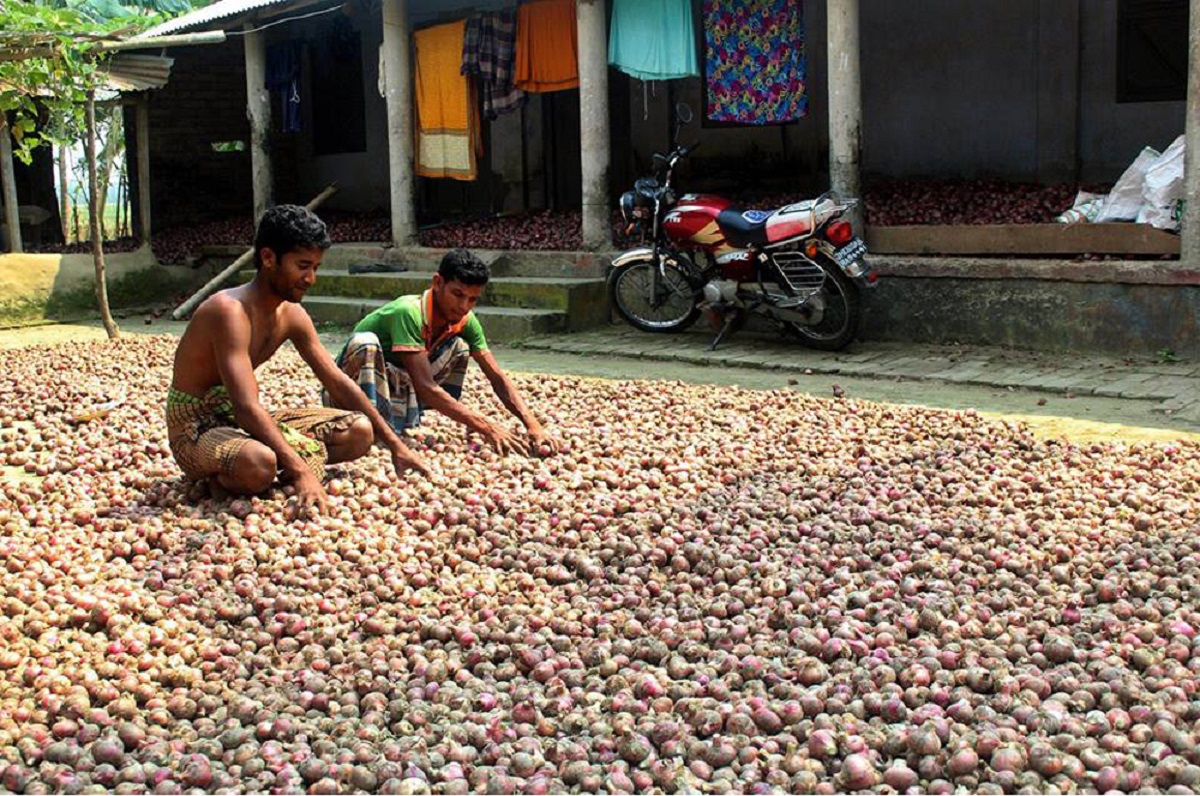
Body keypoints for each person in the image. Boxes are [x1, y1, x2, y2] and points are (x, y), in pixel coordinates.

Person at [166, 204, 429, 515]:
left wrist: (396, 445)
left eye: (315, 267)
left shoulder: (292, 314)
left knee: (359, 432)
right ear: (268, 258)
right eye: (303, 266)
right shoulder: (229, 312)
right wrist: (303, 472)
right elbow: (246, 407)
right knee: (259, 463)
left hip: (239, 421)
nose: (310, 278)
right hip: (195, 427)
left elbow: (337, 382)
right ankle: (232, 474)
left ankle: (261, 469)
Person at [326, 248, 558, 456]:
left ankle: (397, 423)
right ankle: (375, 432)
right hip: (349, 393)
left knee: (460, 348)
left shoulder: (465, 320)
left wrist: (532, 424)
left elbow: (496, 376)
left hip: (395, 384)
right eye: (458, 295)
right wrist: (487, 426)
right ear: (437, 283)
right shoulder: (409, 312)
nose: (464, 306)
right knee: (365, 343)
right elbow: (426, 387)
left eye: (472, 299)